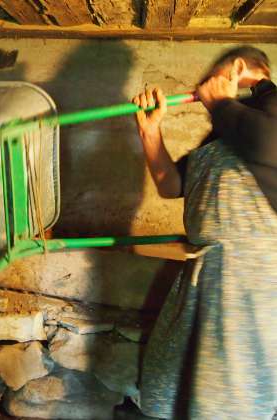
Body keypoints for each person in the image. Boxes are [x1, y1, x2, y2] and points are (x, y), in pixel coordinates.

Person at [132, 46, 277, 419]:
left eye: (214, 78)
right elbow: (170, 184)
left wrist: (222, 104)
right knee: (175, 388)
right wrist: (151, 133)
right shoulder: (223, 134)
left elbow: (268, 145)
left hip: (251, 285)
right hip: (201, 282)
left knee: (233, 399)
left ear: (240, 70)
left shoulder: (266, 112)